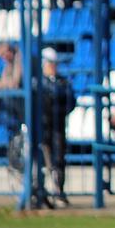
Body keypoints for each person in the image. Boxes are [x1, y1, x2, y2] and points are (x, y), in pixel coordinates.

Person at [38, 48, 74, 207]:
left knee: (58, 158)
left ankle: (59, 191)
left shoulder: (62, 82)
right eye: (50, 63)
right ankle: (41, 191)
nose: (54, 66)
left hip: (57, 125)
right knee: (42, 160)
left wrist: (59, 112)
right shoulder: (38, 83)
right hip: (43, 126)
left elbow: (70, 101)